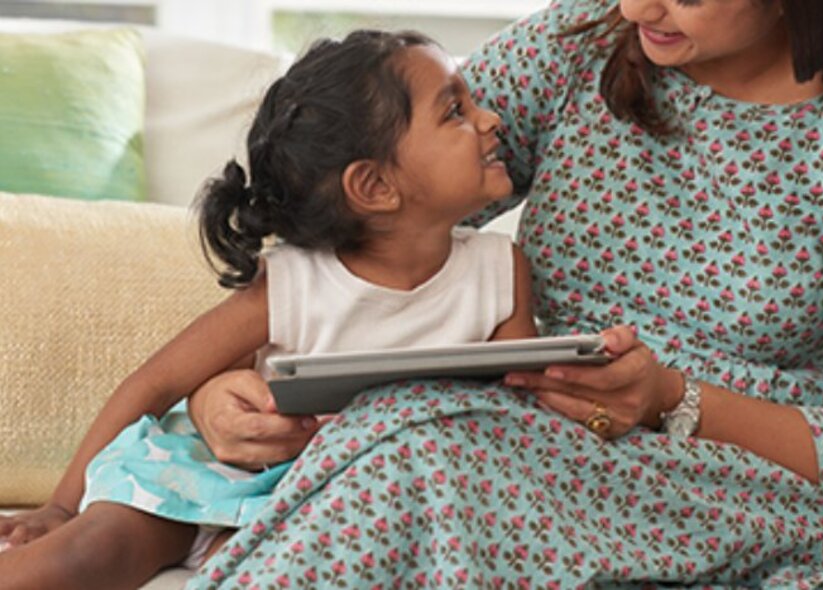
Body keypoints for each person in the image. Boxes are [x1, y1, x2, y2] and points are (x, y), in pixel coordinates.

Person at [182, 0, 823, 587]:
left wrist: (671, 398)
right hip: (538, 448)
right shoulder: (579, 47)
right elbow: (367, 222)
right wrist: (225, 388)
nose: (637, 8)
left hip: (744, 489)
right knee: (414, 432)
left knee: (425, 447)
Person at [0, 30, 540, 588]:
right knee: (86, 556)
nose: (492, 119)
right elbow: (154, 384)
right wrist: (61, 507)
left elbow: (517, 417)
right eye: (455, 110)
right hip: (210, 474)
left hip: (334, 507)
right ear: (375, 185)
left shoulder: (500, 271)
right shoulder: (292, 281)